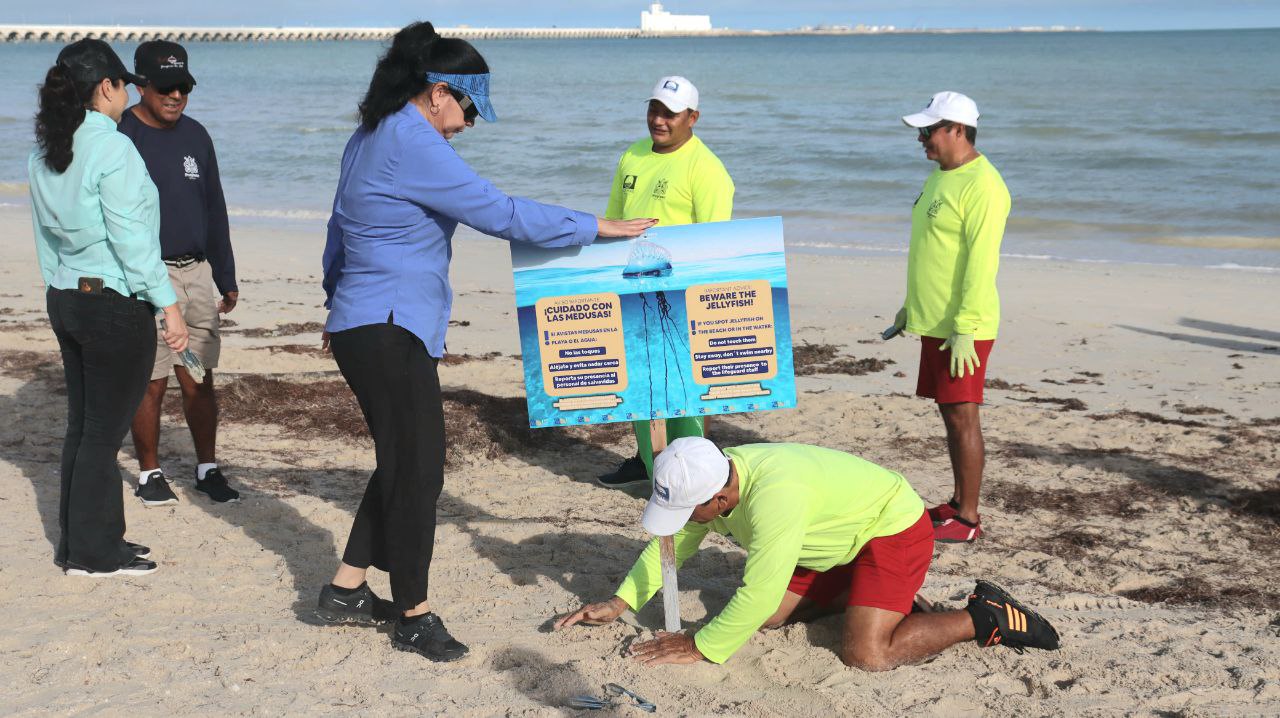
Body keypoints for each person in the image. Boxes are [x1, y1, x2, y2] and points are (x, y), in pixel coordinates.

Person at [312, 21, 655, 662]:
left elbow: (338, 227)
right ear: (439, 90)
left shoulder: (370, 133)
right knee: (419, 470)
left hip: (370, 320)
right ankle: (412, 614)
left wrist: (336, 306)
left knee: (403, 459)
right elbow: (498, 212)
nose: (468, 123)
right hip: (387, 323)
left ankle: (347, 589)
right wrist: (598, 227)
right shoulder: (411, 139)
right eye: (468, 107)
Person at [556, 438, 1059, 669]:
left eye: (687, 511)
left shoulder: (776, 494)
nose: (682, 521)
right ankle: (876, 598)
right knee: (770, 619)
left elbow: (759, 587)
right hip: (835, 543)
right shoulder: (717, 477)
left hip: (891, 529)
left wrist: (701, 646)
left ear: (720, 499)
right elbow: (670, 551)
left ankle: (982, 616)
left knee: (866, 654)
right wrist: (620, 602)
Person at [28, 39, 189, 577]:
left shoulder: (47, 147)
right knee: (101, 432)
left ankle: (84, 543)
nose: (129, 93)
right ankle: (93, 555)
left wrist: (58, 286)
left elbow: (45, 237)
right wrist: (168, 303)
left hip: (67, 296)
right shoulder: (113, 147)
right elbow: (131, 237)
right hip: (114, 303)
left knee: (84, 426)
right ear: (107, 88)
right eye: (124, 84)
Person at [596, 75, 735, 489]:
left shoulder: (706, 168)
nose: (659, 120)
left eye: (670, 114)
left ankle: (694, 474)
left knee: (682, 384)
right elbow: (614, 220)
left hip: (679, 295)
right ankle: (645, 458)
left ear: (693, 117)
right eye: (653, 109)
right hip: (632, 287)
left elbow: (714, 243)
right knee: (639, 377)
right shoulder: (632, 156)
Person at [885, 91, 1010, 543]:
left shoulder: (984, 186)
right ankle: (958, 502)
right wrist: (910, 308)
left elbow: (980, 263)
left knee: (963, 416)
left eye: (929, 130)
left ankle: (970, 518)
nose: (921, 139)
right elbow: (933, 253)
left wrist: (966, 328)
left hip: (964, 326)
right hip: (936, 322)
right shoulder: (941, 177)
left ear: (957, 129)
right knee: (948, 413)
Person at [120, 40, 241, 506]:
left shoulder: (196, 135)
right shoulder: (122, 134)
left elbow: (214, 208)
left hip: (196, 277)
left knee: (199, 376)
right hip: (146, 279)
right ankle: (150, 473)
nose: (176, 96)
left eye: (184, 87)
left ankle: (207, 468)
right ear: (142, 85)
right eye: (167, 87)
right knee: (150, 380)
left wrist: (225, 274)